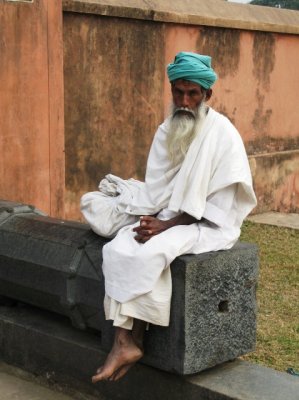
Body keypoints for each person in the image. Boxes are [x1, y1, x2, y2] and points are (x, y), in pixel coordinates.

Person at [81, 52, 257, 382]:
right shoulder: (167, 128)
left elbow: (221, 205)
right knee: (119, 246)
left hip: (209, 224)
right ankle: (124, 341)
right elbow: (158, 188)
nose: (185, 101)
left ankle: (132, 340)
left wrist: (165, 226)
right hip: (170, 215)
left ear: (208, 95)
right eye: (178, 92)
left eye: (193, 93)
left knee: (152, 251)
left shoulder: (223, 135)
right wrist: (151, 218)